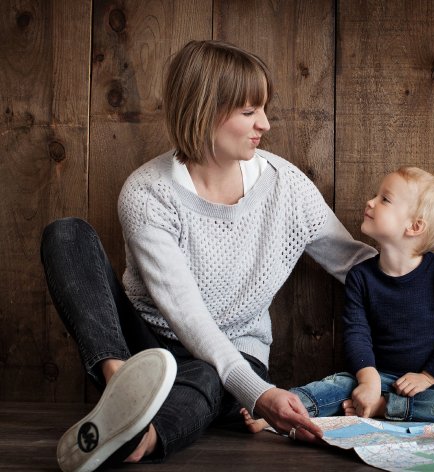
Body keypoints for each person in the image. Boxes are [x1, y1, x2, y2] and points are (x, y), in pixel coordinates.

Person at [40, 39, 376, 471]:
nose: (266, 124)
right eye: (250, 111)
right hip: (143, 345)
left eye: (263, 109)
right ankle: (121, 385)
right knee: (66, 234)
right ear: (205, 110)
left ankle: (138, 437)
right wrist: (257, 395)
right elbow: (187, 315)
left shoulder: (285, 186)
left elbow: (354, 263)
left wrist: (432, 314)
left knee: (207, 374)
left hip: (234, 355)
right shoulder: (148, 193)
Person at [243, 166, 434, 431]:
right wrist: (368, 380)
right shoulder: (361, 277)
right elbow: (356, 333)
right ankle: (277, 412)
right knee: (334, 387)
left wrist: (428, 376)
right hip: (375, 375)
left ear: (415, 226)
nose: (371, 201)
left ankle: (383, 408)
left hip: (428, 384)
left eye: (384, 199)